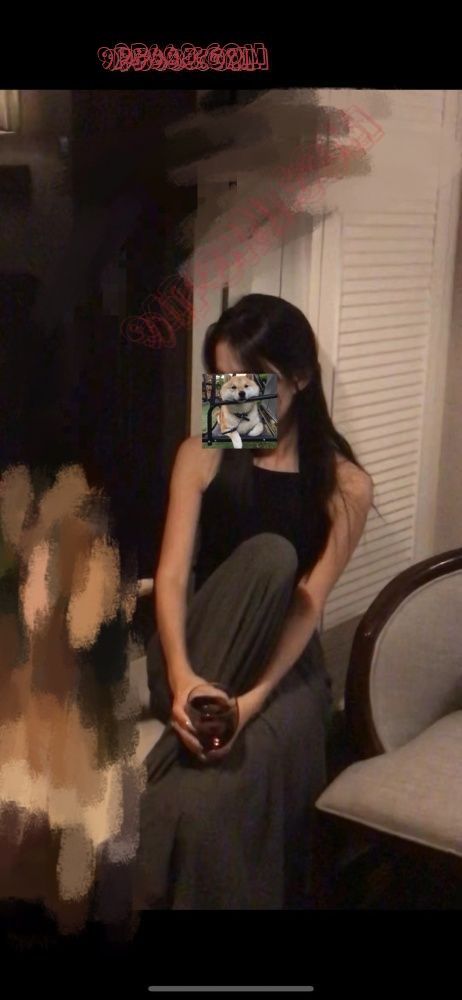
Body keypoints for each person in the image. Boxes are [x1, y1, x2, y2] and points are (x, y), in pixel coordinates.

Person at [134, 293, 374, 910]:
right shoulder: (205, 453)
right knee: (268, 556)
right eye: (223, 379)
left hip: (279, 667)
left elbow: (307, 604)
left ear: (300, 377)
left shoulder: (345, 486)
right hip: (197, 648)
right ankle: (189, 719)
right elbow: (171, 577)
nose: (234, 395)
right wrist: (183, 677)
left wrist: (250, 703)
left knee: (206, 806)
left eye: (251, 379)